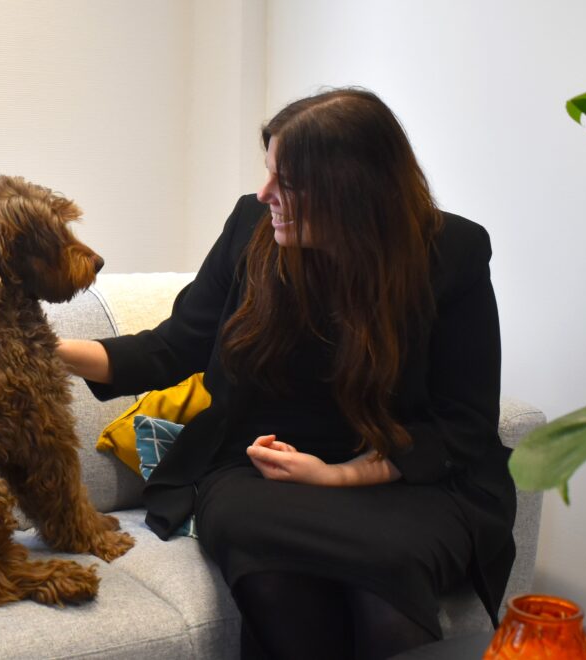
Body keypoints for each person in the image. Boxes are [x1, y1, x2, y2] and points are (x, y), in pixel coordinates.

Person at [57, 87, 515, 659]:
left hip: (405, 479)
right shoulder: (252, 228)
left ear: (354, 192)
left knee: (385, 584)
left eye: (288, 184)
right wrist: (48, 348)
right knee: (273, 572)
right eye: (269, 172)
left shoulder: (453, 253)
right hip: (260, 470)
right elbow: (173, 348)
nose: (264, 193)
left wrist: (337, 477)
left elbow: (463, 424)